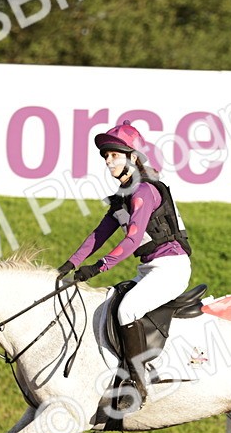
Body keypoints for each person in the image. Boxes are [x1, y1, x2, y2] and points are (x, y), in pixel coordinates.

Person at [57, 121, 192, 410]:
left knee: (127, 309)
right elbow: (98, 234)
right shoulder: (122, 197)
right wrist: (68, 265)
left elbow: (131, 241)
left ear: (132, 157)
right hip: (150, 268)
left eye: (114, 155)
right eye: (105, 156)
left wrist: (98, 267)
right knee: (113, 304)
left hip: (171, 268)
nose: (108, 161)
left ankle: (136, 382)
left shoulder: (145, 191)